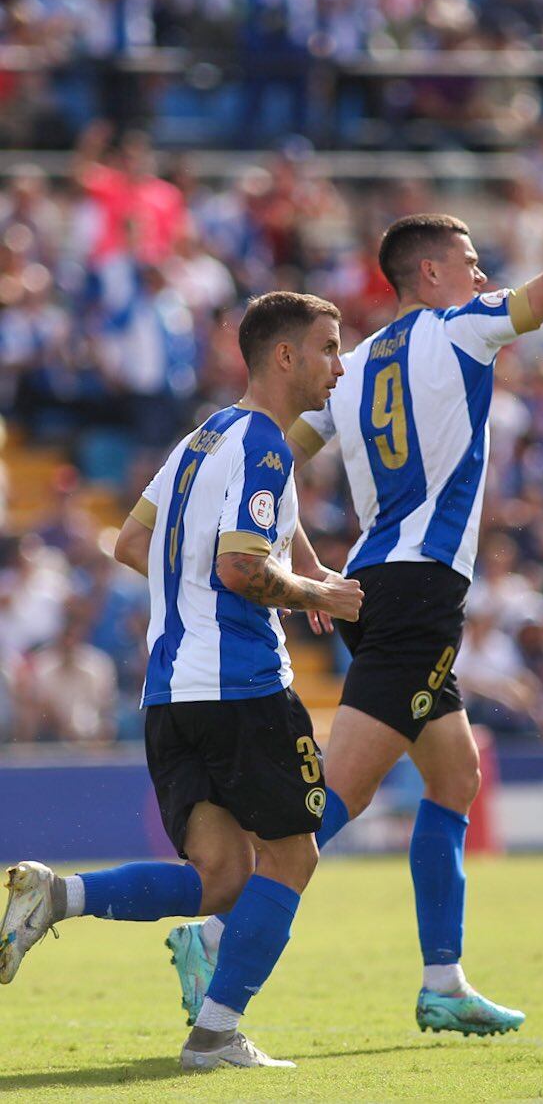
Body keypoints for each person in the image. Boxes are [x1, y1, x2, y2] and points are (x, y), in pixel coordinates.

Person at [169, 134, 543, 1036]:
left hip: (380, 577)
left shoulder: (358, 362)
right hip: (417, 587)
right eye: (472, 261)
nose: (484, 274)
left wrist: (312, 558)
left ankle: (442, 979)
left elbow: (280, 456)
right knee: (340, 791)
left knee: (455, 775)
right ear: (430, 272)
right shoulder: (463, 327)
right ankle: (219, 928)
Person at [0, 291, 363, 1071]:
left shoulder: (201, 437)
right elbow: (239, 568)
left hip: (169, 692)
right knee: (292, 859)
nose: (339, 364)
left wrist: (212, 585)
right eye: (329, 348)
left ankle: (56, 896)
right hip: (242, 686)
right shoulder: (264, 444)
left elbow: (133, 540)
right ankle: (215, 1033)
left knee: (222, 876)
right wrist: (314, 593)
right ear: (284, 356)